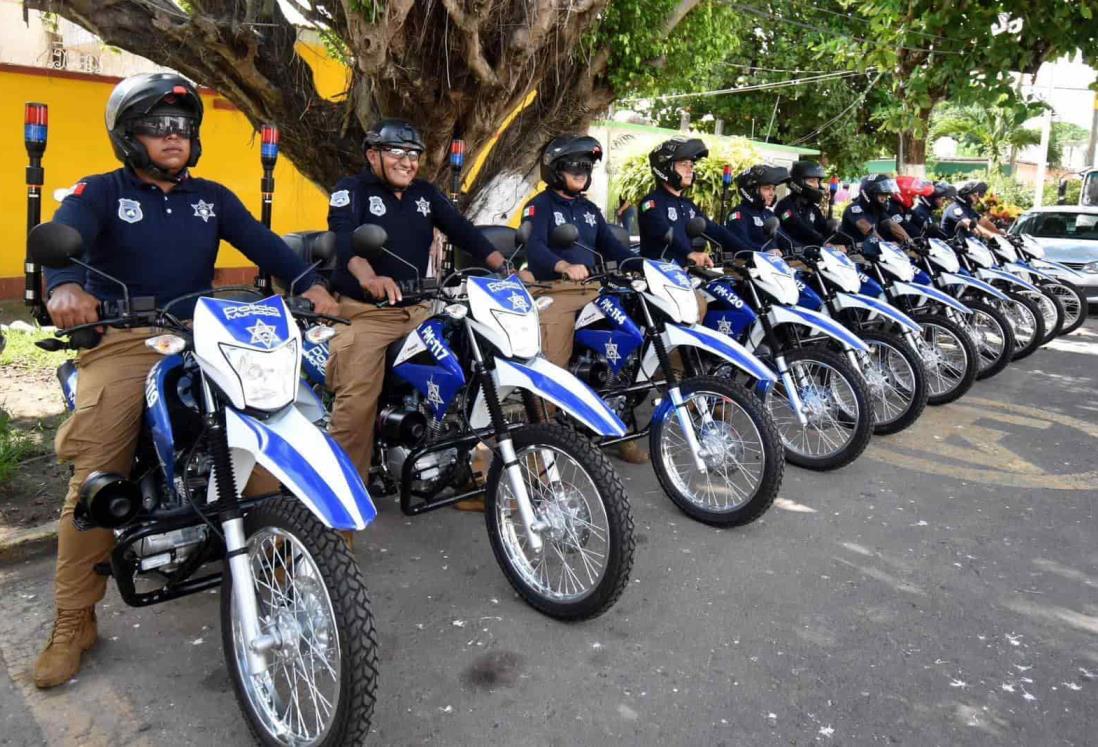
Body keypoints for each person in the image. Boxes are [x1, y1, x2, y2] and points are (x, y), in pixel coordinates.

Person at [34, 73, 338, 690]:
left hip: (207, 335)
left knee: (269, 430)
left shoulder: (212, 197)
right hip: (125, 340)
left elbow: (266, 245)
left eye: (183, 126)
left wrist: (311, 286)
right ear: (128, 135)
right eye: (157, 125)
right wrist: (63, 285)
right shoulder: (100, 192)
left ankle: (279, 551)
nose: (174, 136)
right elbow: (62, 246)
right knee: (97, 473)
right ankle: (73, 619)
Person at [325, 118, 506, 501]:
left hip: (419, 309)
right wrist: (368, 276)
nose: (407, 161)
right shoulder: (351, 190)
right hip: (367, 314)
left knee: (470, 374)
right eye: (396, 152)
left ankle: (466, 477)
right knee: (355, 406)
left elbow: (461, 229)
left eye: (413, 155)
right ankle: (340, 508)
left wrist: (502, 266)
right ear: (373, 154)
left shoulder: (425, 193)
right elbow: (345, 241)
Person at [520, 135, 643, 461]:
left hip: (593, 288)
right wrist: (563, 265)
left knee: (628, 343)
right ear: (557, 169)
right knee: (552, 365)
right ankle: (540, 446)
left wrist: (645, 265)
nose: (582, 171)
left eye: (587, 166)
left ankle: (620, 426)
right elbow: (534, 249)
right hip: (555, 291)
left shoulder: (589, 210)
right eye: (575, 165)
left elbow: (613, 248)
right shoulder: (540, 206)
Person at [637, 136, 752, 265]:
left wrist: (750, 254)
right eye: (683, 164)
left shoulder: (689, 206)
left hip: (686, 275)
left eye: (691, 165)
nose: (690, 170)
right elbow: (661, 231)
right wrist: (689, 253)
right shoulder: (651, 203)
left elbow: (716, 231)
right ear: (665, 168)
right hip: (659, 274)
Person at [773, 160, 843, 250]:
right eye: (812, 181)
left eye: (818, 181)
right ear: (799, 182)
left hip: (813, 256)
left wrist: (837, 235)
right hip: (792, 257)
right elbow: (800, 228)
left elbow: (824, 227)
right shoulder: (785, 206)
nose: (817, 186)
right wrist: (823, 243)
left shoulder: (812, 208)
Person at [725, 164, 790, 252]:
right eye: (767, 189)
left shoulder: (769, 214)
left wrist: (803, 250)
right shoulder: (738, 214)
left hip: (773, 263)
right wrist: (765, 251)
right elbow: (740, 244)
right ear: (752, 191)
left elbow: (785, 239)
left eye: (773, 189)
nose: (772, 193)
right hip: (747, 263)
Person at [839, 174, 910, 244]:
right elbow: (867, 229)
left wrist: (909, 241)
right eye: (881, 194)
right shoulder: (854, 208)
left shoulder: (876, 210)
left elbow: (891, 225)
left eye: (886, 195)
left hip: (868, 250)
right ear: (870, 193)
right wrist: (885, 245)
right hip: (850, 251)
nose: (884, 199)